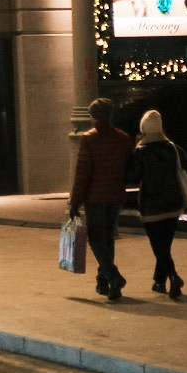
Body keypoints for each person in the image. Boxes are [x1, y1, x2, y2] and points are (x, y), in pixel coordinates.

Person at [68, 98, 135, 301]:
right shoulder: (123, 138)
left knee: (96, 239)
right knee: (107, 239)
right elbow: (128, 168)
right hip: (115, 195)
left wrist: (74, 202)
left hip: (95, 197)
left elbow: (83, 174)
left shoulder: (90, 139)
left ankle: (113, 277)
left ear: (93, 116)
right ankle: (103, 282)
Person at [128, 109, 187, 300]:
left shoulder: (141, 152)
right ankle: (159, 280)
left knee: (159, 246)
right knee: (164, 244)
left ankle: (173, 277)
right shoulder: (173, 148)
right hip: (173, 203)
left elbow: (132, 176)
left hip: (151, 204)